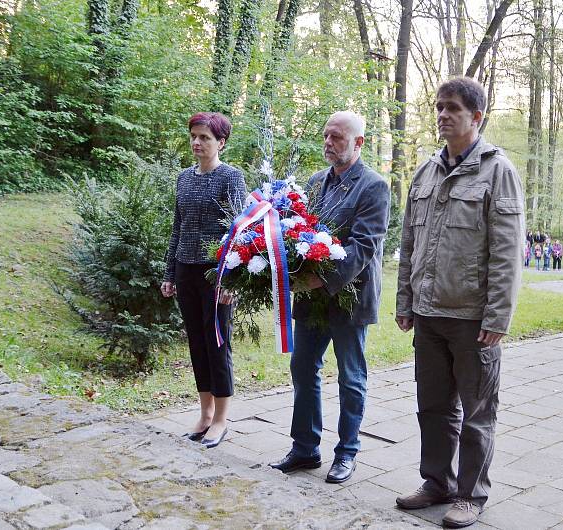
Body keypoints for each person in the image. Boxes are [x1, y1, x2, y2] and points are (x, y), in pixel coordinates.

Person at [395, 77, 524, 528]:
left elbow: (507, 252)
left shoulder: (498, 170)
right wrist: (406, 298)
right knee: (432, 408)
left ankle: (471, 494)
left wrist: (498, 316)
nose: (442, 115)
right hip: (429, 315)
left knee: (476, 413)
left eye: (452, 108)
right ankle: (437, 482)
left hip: (472, 319)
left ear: (477, 116)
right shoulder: (427, 170)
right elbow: (410, 240)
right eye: (438, 107)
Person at [269, 111, 390, 485]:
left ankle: (347, 452)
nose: (328, 142)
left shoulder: (373, 186)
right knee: (303, 370)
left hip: (349, 297)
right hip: (310, 299)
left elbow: (364, 247)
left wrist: (317, 281)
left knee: (350, 377)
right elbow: (298, 234)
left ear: (358, 142)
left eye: (337, 137)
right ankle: (305, 447)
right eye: (326, 135)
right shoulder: (316, 181)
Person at [161, 112, 246, 448]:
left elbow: (241, 233)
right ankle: (205, 414)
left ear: (221, 142)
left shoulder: (231, 178)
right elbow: (177, 228)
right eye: (194, 136)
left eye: (205, 138)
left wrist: (233, 280)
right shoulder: (183, 178)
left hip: (217, 273)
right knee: (197, 341)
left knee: (217, 343)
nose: (197, 142)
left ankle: (222, 420)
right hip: (185, 269)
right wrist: (170, 273)